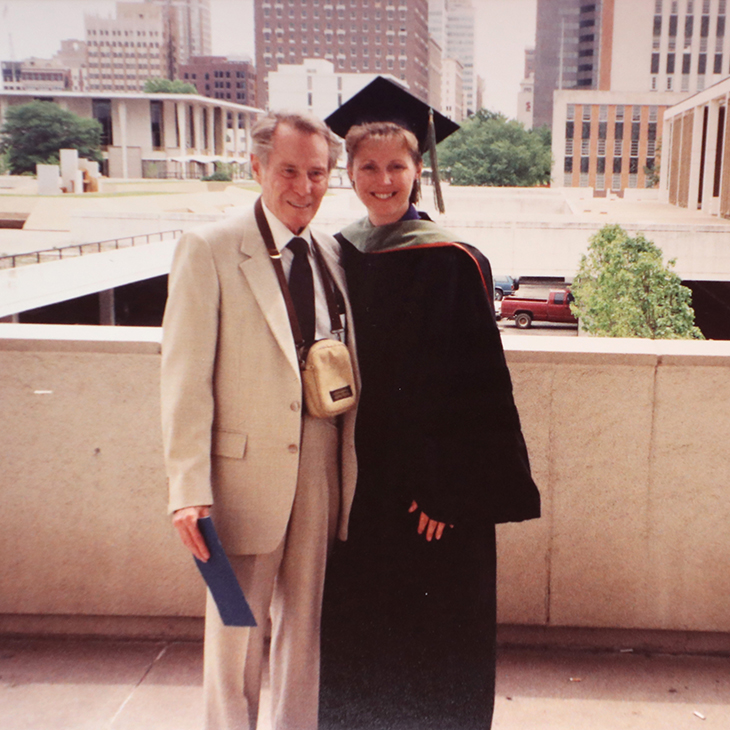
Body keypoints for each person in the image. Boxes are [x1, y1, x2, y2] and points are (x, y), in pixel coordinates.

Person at [318, 77, 541, 730]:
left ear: (419, 171)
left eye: (396, 166)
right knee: (362, 645)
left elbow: (476, 389)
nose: (382, 179)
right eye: (368, 166)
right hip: (359, 490)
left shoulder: (452, 261)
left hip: (432, 498)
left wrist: (448, 494)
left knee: (434, 646)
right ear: (350, 172)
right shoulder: (337, 257)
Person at [160, 111, 359, 730]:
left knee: (306, 625)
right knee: (233, 626)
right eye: (290, 171)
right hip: (233, 481)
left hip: (319, 469)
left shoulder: (332, 252)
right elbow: (184, 378)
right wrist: (188, 491)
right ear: (257, 168)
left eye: (319, 173)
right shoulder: (209, 247)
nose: (305, 187)